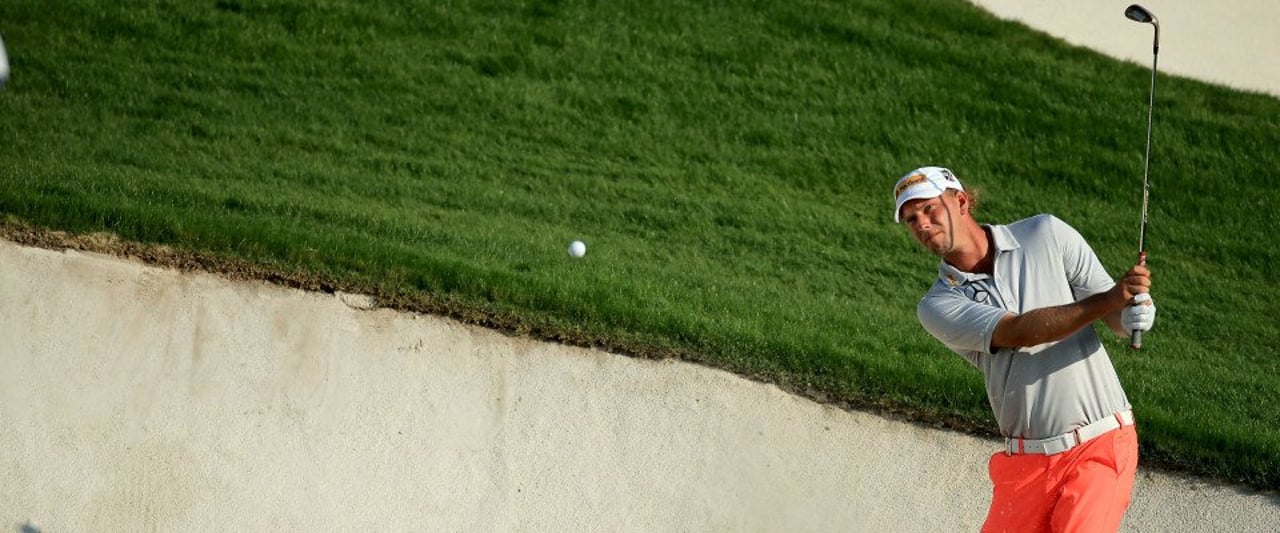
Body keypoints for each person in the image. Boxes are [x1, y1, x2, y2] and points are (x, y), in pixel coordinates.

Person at [892, 166, 1156, 532]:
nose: (922, 223)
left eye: (929, 208)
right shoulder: (938, 305)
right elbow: (1020, 331)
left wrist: (1132, 313)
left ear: (962, 202)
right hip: (1025, 466)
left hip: (1098, 445)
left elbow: (1113, 314)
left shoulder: (1046, 233)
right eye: (911, 219)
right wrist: (1111, 300)